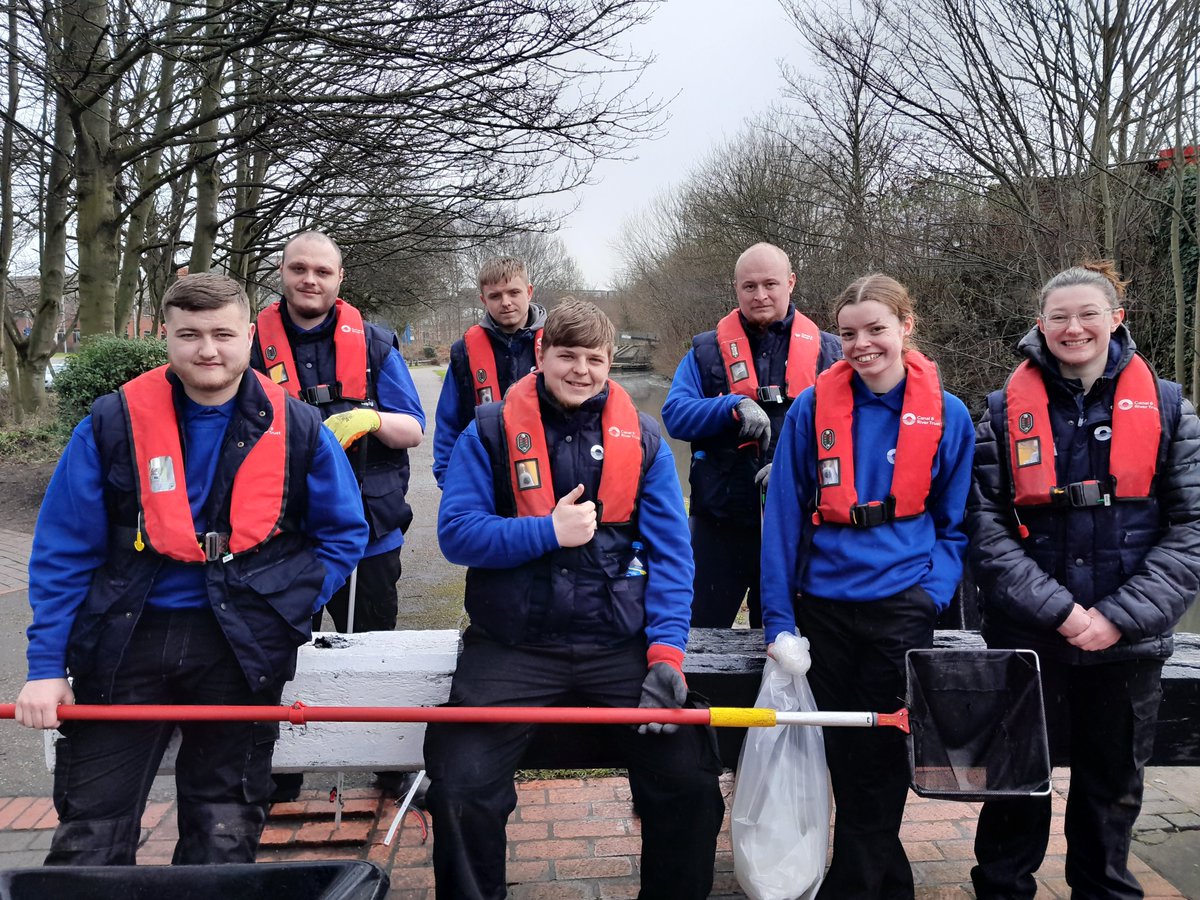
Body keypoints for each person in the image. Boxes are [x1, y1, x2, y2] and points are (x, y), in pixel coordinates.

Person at [14, 273, 368, 866]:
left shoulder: (300, 428)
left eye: (223, 334)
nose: (208, 349)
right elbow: (62, 550)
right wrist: (46, 666)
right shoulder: (110, 424)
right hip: (123, 642)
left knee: (222, 833)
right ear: (166, 337)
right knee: (90, 836)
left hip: (242, 647)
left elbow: (343, 535)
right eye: (190, 335)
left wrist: (285, 606)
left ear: (248, 336)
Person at [427, 298, 725, 899]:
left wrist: (667, 655)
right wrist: (546, 532)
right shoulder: (487, 430)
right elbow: (456, 534)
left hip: (617, 645)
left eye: (595, 359)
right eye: (567, 356)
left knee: (691, 783)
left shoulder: (644, 439)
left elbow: (672, 556)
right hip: (511, 647)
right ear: (541, 354)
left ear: (610, 362)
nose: (581, 370)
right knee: (459, 787)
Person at [968, 262, 1200, 899]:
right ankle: (1002, 889)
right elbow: (984, 529)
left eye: (1088, 314)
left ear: (1115, 319)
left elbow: (1191, 529)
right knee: (1014, 783)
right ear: (1040, 324)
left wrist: (1119, 617)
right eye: (1060, 317)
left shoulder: (1171, 410)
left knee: (1111, 789)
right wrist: (1061, 613)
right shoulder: (999, 414)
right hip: (1029, 635)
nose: (1074, 328)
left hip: (1129, 642)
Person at [760, 274, 974, 899]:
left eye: (877, 329)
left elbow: (955, 524)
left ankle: (850, 888)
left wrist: (931, 596)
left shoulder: (950, 415)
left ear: (907, 326)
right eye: (849, 333)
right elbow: (781, 521)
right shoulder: (811, 410)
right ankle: (889, 882)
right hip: (823, 610)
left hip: (902, 607)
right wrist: (778, 620)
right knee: (840, 754)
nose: (862, 345)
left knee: (881, 758)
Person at [251, 230, 425, 636]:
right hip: (282, 531)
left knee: (373, 648)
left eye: (322, 271)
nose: (310, 279)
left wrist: (372, 420)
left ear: (339, 277)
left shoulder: (376, 345)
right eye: (299, 268)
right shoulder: (249, 346)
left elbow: (414, 428)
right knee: (285, 646)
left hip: (371, 531)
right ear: (282, 271)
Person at [662, 242, 841, 628]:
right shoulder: (705, 352)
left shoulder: (832, 354)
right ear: (736, 288)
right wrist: (731, 407)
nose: (760, 295)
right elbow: (674, 415)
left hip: (797, 528)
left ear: (790, 283)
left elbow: (854, 436)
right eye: (749, 286)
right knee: (696, 637)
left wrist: (797, 469)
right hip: (717, 527)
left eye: (770, 284)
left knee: (784, 643)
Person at [432, 255, 547, 489]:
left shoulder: (557, 344)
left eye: (513, 293)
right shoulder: (463, 352)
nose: (506, 302)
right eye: (495, 296)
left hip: (546, 474)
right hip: (483, 474)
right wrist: (448, 479)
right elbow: (448, 423)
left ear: (529, 292)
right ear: (483, 300)